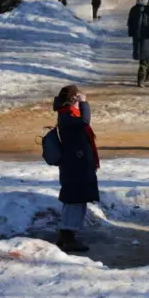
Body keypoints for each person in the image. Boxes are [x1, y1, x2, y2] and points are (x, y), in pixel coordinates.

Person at [53, 85, 100, 252]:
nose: (79, 101)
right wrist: (85, 103)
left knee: (77, 200)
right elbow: (85, 121)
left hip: (78, 164)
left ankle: (66, 235)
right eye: (77, 98)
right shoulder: (66, 116)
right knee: (74, 201)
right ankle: (68, 237)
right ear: (72, 99)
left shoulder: (69, 114)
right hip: (74, 166)